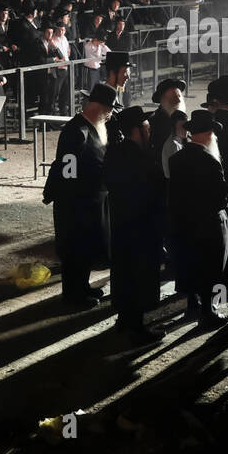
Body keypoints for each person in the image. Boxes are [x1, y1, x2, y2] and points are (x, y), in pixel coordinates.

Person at [43, 83, 116, 308]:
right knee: (75, 251)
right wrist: (75, 203)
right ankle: (73, 296)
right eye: (110, 110)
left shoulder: (92, 127)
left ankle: (83, 287)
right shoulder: (77, 132)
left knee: (84, 250)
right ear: (101, 107)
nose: (111, 115)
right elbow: (67, 172)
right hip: (75, 205)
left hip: (89, 203)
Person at [101, 105, 166, 342]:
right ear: (138, 130)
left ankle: (124, 320)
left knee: (123, 275)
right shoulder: (143, 159)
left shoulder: (113, 153)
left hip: (120, 226)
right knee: (140, 277)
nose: (150, 130)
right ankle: (136, 327)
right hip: (143, 228)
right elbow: (155, 193)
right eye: (146, 127)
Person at [167, 109, 228, 329]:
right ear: (208, 134)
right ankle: (208, 311)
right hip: (208, 225)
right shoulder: (211, 161)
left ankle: (192, 305)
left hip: (184, 222)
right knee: (211, 268)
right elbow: (223, 196)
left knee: (191, 265)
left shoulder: (176, 159)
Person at [150, 78, 187, 167]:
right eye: (174, 99)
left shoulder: (181, 118)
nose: (178, 101)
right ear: (163, 101)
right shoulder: (155, 122)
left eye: (179, 97)